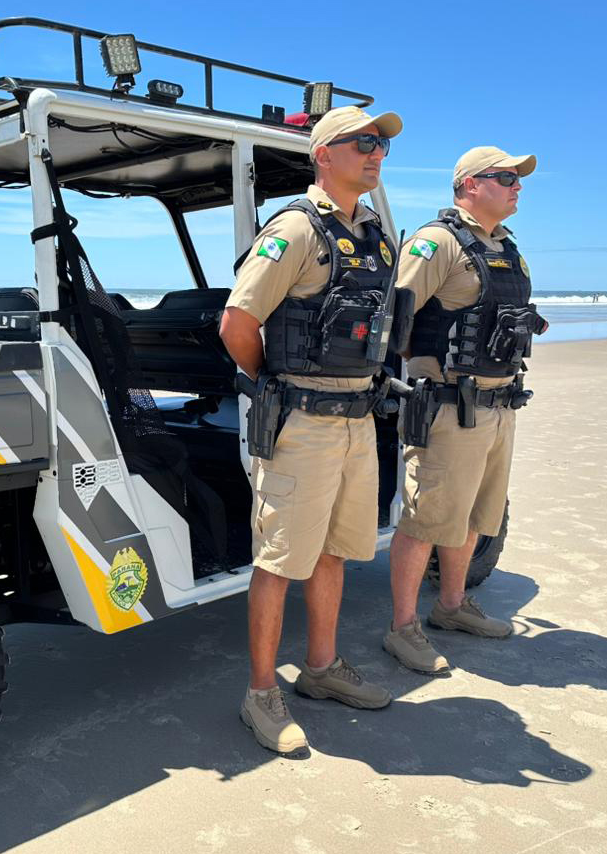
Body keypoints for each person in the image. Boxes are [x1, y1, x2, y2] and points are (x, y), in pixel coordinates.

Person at [220, 104, 402, 753]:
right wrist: (275, 382)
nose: (375, 153)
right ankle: (261, 693)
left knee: (334, 551)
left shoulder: (377, 236)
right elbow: (238, 323)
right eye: (362, 142)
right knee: (279, 561)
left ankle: (320, 668)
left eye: (381, 144)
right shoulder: (295, 230)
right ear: (323, 154)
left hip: (357, 421)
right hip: (303, 423)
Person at [385, 145, 545, 674]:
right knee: (425, 520)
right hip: (449, 406)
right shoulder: (436, 243)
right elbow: (393, 320)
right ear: (470, 185)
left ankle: (452, 606)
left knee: (478, 515)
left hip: (500, 405)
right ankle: (402, 628)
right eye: (506, 177)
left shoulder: (507, 248)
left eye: (518, 178)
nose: (517, 186)